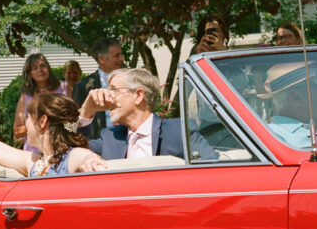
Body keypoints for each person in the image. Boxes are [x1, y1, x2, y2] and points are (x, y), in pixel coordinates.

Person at [0, 69, 105, 177]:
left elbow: (85, 157)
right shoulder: (33, 162)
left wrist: (89, 161)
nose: (26, 122)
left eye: (29, 116)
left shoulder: (72, 156)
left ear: (42, 121)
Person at [78, 67, 216, 161]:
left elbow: (213, 168)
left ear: (138, 95)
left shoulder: (179, 131)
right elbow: (64, 146)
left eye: (114, 90)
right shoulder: (110, 137)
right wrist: (86, 111)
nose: (108, 97)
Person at [12, 53, 67, 151]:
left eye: (43, 66)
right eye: (35, 68)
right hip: (33, 152)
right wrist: (39, 126)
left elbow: (73, 122)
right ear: (30, 74)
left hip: (60, 148)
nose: (40, 70)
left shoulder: (63, 89)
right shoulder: (26, 95)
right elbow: (17, 131)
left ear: (48, 69)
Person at [73, 38, 126, 138]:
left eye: (121, 54)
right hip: (96, 144)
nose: (121, 59)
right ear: (101, 59)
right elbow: (72, 123)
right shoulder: (83, 85)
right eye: (116, 56)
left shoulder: (129, 81)